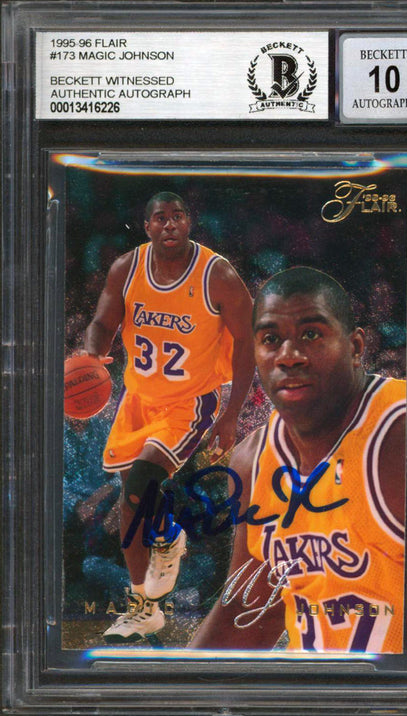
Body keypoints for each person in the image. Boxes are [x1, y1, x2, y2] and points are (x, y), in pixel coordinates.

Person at [190, 266, 406, 653]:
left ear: (356, 347)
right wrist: (175, 687)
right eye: (271, 339)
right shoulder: (253, 460)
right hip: (319, 687)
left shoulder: (405, 435)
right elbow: (248, 612)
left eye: (311, 334)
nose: (289, 356)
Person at [84, 191, 254, 643]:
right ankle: (145, 608)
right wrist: (92, 352)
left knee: (143, 481)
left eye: (178, 216)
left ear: (189, 221)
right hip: (138, 400)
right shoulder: (126, 268)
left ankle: (167, 534)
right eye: (160, 218)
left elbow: (247, 343)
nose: (170, 224)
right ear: (148, 227)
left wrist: (231, 414)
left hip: (190, 401)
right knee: (130, 503)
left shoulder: (217, 274)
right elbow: (103, 322)